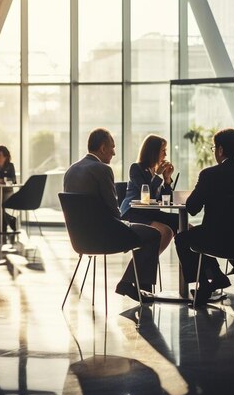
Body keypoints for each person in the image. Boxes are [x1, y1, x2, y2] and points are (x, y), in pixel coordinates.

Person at [63, 128, 161, 303]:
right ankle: (137, 287)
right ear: (102, 148)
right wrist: (126, 227)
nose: (114, 152)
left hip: (80, 239)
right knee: (154, 234)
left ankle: (134, 285)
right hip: (104, 237)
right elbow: (113, 209)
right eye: (112, 148)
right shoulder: (102, 169)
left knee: (144, 232)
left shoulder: (71, 170)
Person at [175, 128, 234, 306]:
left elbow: (192, 208)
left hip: (216, 241)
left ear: (220, 150)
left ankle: (204, 284)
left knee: (182, 239)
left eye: (214, 148)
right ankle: (215, 277)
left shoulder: (209, 175)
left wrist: (199, 189)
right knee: (196, 237)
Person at [120, 134, 178, 254]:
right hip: (133, 213)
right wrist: (156, 176)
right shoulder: (136, 168)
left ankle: (193, 270)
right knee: (167, 232)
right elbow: (146, 195)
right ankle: (147, 262)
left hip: (150, 213)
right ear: (154, 151)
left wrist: (167, 179)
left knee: (185, 226)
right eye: (163, 151)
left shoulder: (155, 172)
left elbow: (165, 199)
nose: (165, 155)